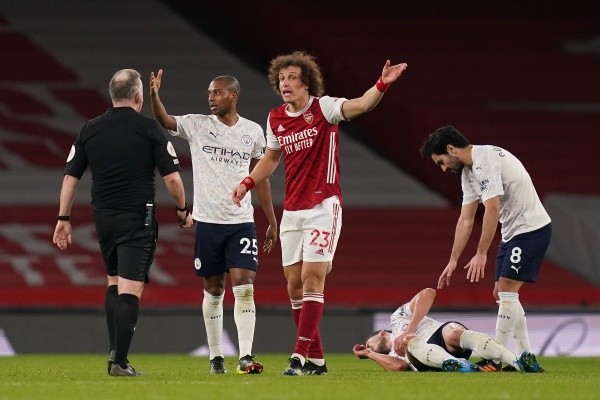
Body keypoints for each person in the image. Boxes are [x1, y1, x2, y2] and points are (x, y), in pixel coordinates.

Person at [231, 51, 408, 376]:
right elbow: (271, 159)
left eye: (292, 78)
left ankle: (298, 356)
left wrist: (382, 83)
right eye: (282, 79)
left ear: (307, 83)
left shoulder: (323, 108)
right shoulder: (275, 118)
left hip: (323, 206)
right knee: (294, 285)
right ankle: (317, 360)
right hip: (293, 211)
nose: (285, 84)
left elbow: (361, 104)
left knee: (313, 277)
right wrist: (247, 181)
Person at [52, 68, 193, 377]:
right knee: (131, 287)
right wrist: (182, 209)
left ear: (112, 95)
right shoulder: (149, 129)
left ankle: (115, 352)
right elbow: (171, 178)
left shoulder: (90, 129)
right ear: (139, 97)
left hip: (102, 217)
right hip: (136, 216)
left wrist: (63, 218)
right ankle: (120, 362)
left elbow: (70, 177)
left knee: (114, 281)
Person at [149, 69, 277, 375]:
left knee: (244, 284)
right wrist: (154, 95)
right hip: (207, 221)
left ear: (233, 95)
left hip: (241, 220)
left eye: (217, 92)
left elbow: (260, 178)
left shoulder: (253, 132)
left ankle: (245, 356)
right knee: (214, 287)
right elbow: (166, 121)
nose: (211, 97)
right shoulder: (197, 124)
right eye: (209, 93)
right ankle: (216, 357)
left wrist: (271, 218)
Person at [419, 126, 552, 367]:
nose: (443, 168)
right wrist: (453, 259)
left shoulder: (485, 159)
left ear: (451, 150)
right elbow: (466, 219)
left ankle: (494, 359)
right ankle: (526, 356)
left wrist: (481, 253)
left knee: (506, 289)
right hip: (512, 232)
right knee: (501, 294)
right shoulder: (468, 173)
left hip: (530, 229)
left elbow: (492, 208)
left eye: (441, 161)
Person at [352, 288, 544, 373]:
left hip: (440, 334)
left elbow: (428, 293)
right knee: (411, 341)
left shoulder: (397, 318)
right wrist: (369, 354)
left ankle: (518, 362)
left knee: (454, 332)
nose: (373, 349)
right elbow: (399, 367)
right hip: (423, 357)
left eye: (371, 344)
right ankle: (456, 364)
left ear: (381, 333)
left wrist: (407, 330)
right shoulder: (392, 356)